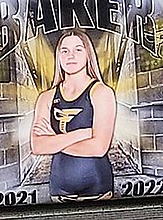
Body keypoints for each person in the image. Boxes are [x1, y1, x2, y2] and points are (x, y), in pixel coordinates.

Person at [31, 29, 116, 202]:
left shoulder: (101, 92)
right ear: (58, 56)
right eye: (65, 50)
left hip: (98, 192)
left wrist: (54, 140)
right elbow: (38, 146)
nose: (71, 55)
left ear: (88, 54)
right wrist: (83, 134)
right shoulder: (46, 97)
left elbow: (99, 148)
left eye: (78, 49)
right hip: (59, 194)